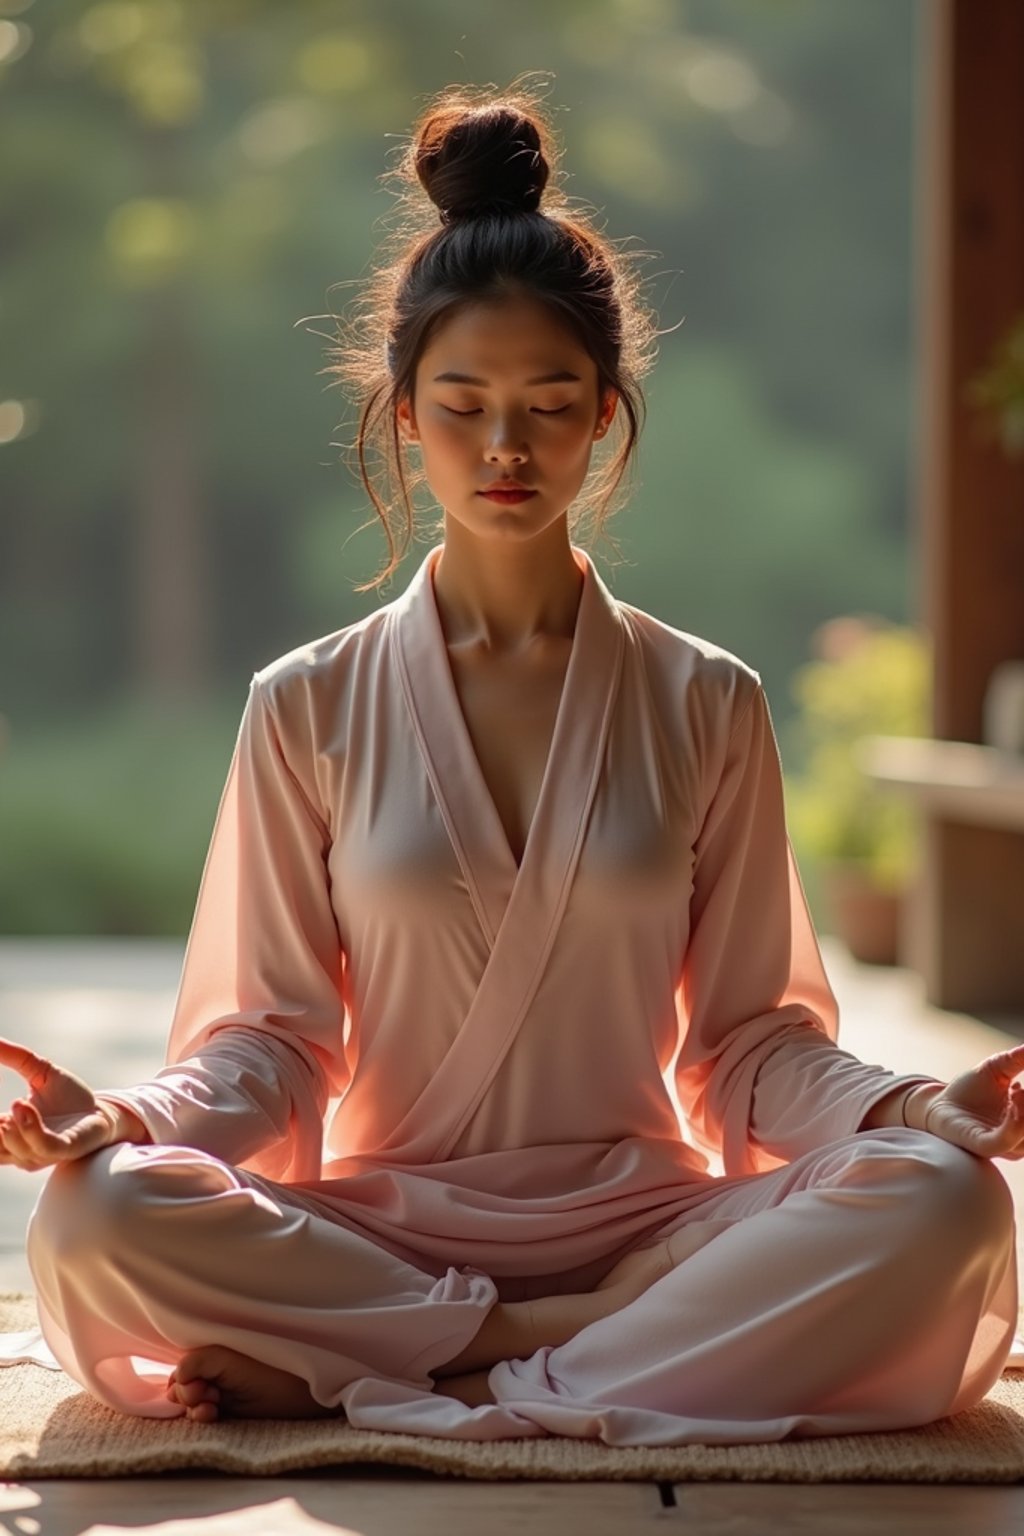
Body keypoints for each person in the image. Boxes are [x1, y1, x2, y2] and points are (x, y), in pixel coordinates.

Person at [1, 79, 1021, 1447]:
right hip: (388, 1231)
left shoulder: (704, 697)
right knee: (98, 1216)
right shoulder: (307, 701)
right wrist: (120, 1114)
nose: (505, 446)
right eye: (465, 402)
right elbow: (274, 1042)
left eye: (549, 402)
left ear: (604, 415)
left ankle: (409, 1377)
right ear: (405, 414)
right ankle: (540, 1354)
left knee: (945, 1196)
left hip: (649, 1226)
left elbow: (750, 1044)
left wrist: (913, 1103)